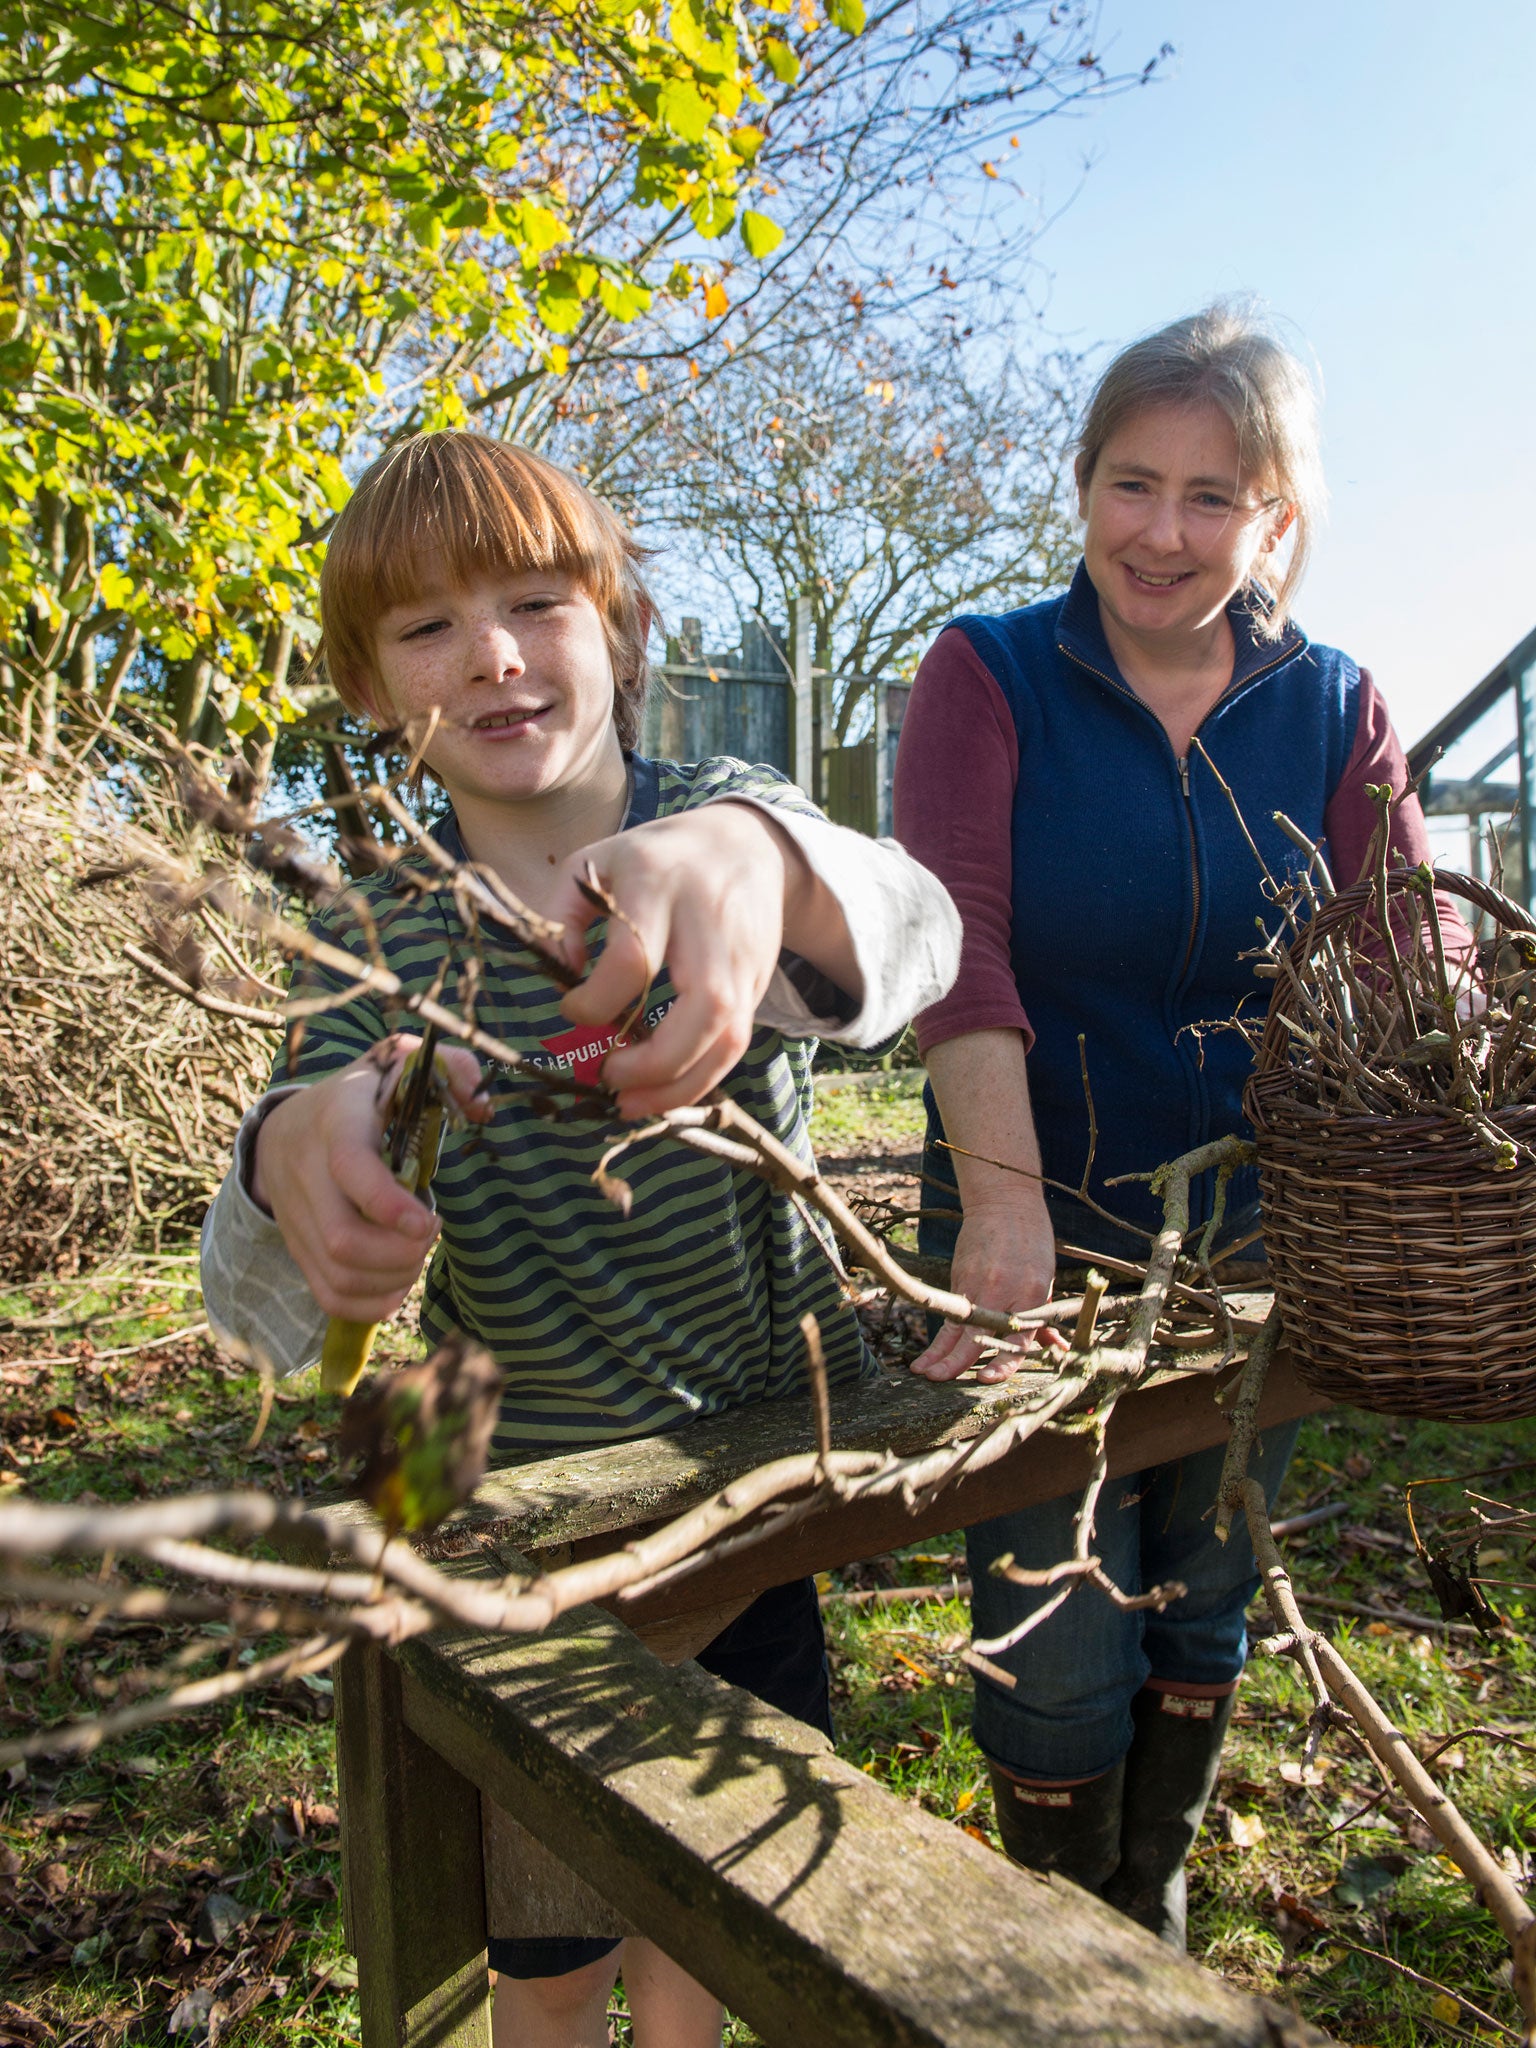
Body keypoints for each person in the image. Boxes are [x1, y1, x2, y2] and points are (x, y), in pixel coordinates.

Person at [200, 430, 960, 2047]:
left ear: (615, 624)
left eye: (536, 600)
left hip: (741, 1475)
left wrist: (765, 864)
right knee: (540, 1957)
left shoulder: (724, 825)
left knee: (709, 1924)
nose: (489, 653)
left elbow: (912, 937)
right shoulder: (370, 928)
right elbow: (260, 1268)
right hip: (508, 1505)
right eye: (425, 628)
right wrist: (295, 1158)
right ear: (370, 687)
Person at [892, 304, 1464, 1949]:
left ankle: (1152, 1915)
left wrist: (1454, 1013)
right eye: (1131, 483)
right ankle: (1053, 1932)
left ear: (1274, 515)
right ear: (1081, 488)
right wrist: (1003, 1210)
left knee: (1204, 1591)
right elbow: (959, 944)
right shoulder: (988, 674)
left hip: (1257, 1237)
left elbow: (1406, 934)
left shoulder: (1333, 703)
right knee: (1059, 1622)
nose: (1162, 532)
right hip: (1041, 1218)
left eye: (1212, 497)